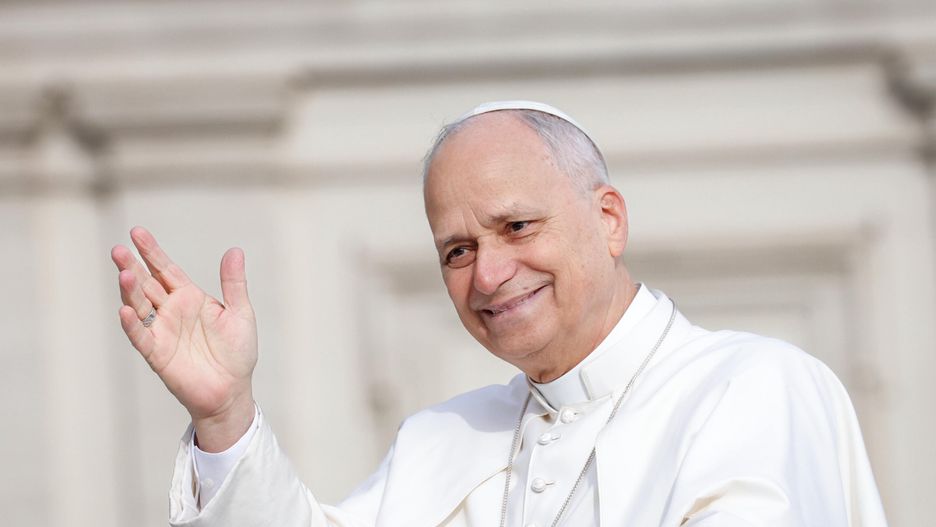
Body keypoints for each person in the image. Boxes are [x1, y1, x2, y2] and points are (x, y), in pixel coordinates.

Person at [111, 101, 888, 526]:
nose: (489, 272)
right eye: (456, 250)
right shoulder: (443, 437)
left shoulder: (753, 388)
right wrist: (227, 415)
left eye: (517, 227)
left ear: (608, 219)